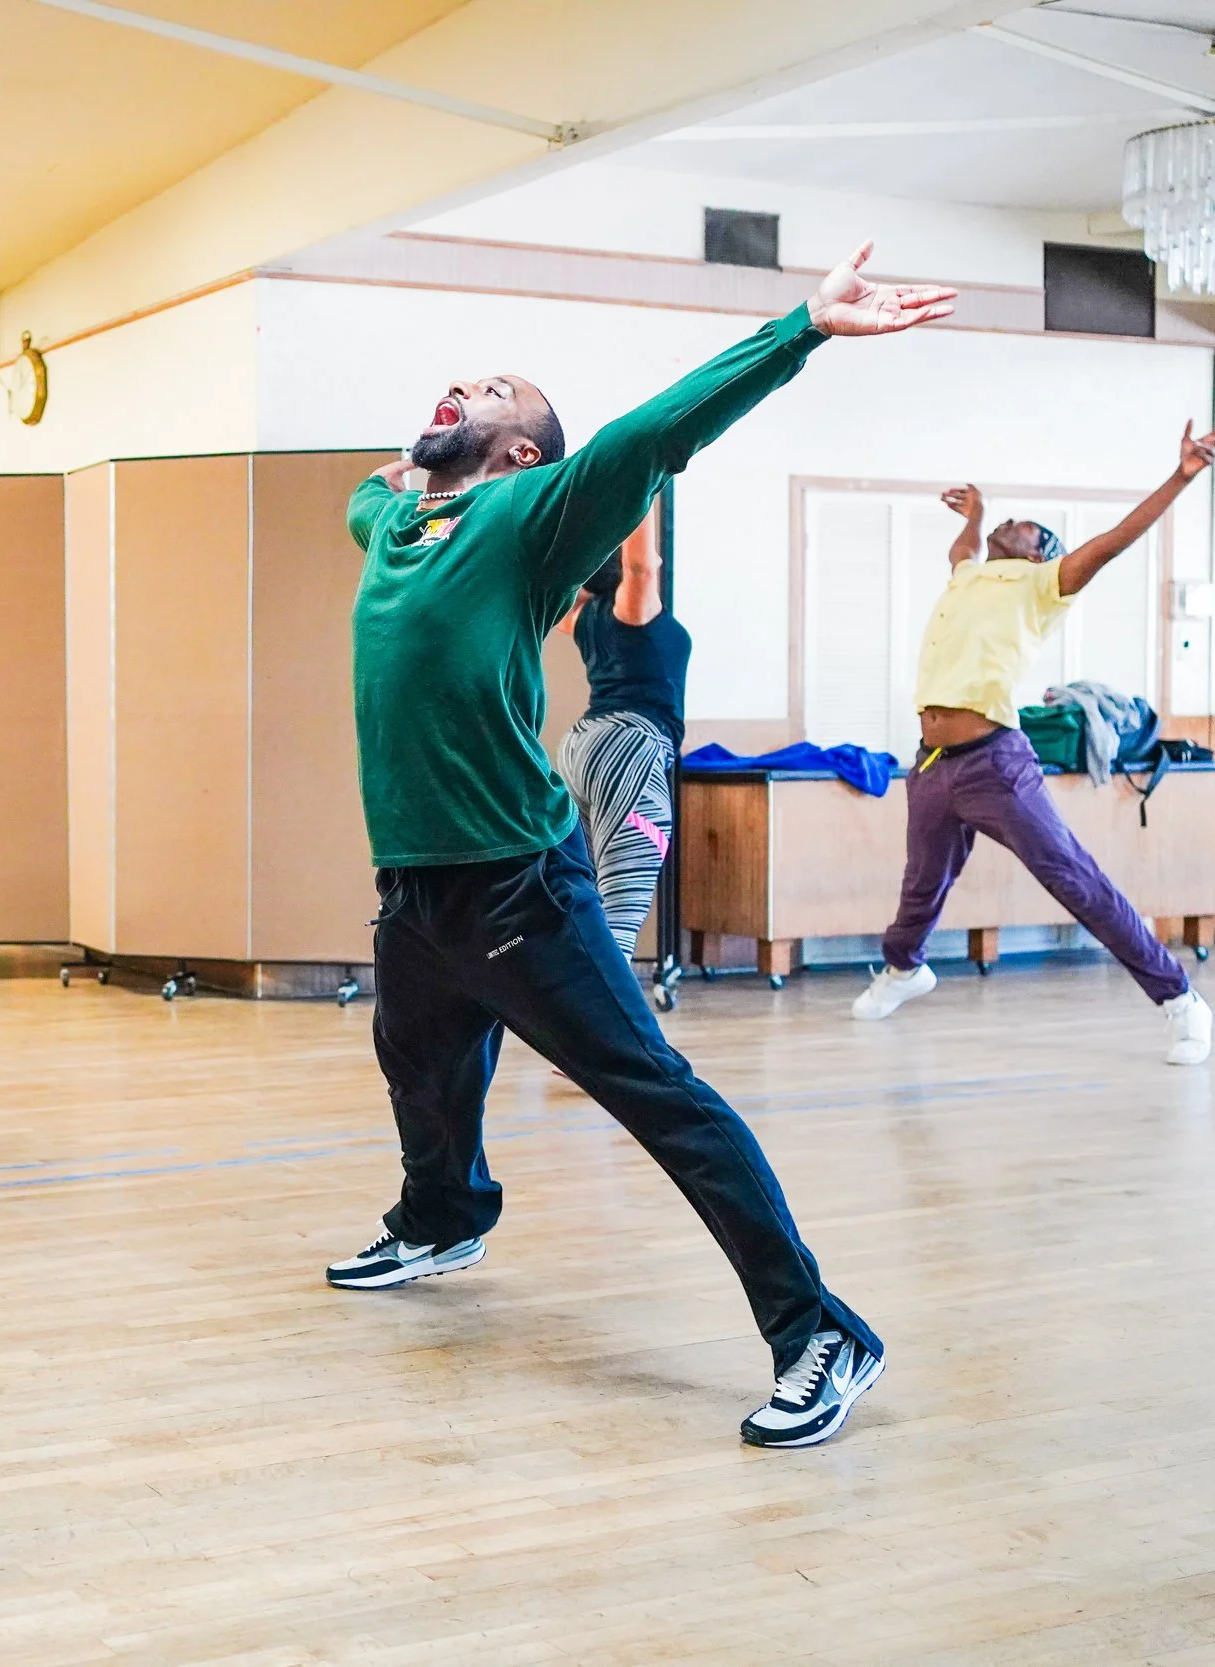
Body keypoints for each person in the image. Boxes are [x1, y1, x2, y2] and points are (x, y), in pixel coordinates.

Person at [328, 244, 956, 1451]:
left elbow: (657, 432)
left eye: (500, 391)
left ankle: (818, 1328)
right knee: (415, 1058)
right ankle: (442, 1212)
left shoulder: (531, 516)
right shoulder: (395, 523)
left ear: (525, 453)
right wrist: (410, 464)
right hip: (416, 884)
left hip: (520, 880)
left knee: (652, 1094)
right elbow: (366, 491)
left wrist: (801, 329)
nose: (473, 385)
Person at [850, 424, 1215, 1064]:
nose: (1016, 523)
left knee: (1072, 878)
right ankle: (905, 969)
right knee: (922, 885)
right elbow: (962, 548)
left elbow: (1114, 541)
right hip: (933, 764)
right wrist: (979, 514)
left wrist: (1182, 477)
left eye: (1026, 525)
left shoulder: (1042, 584)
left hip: (995, 763)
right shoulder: (969, 576)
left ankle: (1182, 1000)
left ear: (1040, 552)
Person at [554, 522, 689, 962]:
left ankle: (574, 1018)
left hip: (581, 750)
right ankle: (612, 1028)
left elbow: (543, 596)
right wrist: (642, 473)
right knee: (620, 912)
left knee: (587, 897)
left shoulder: (582, 619)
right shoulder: (632, 609)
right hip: (628, 749)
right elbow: (643, 567)